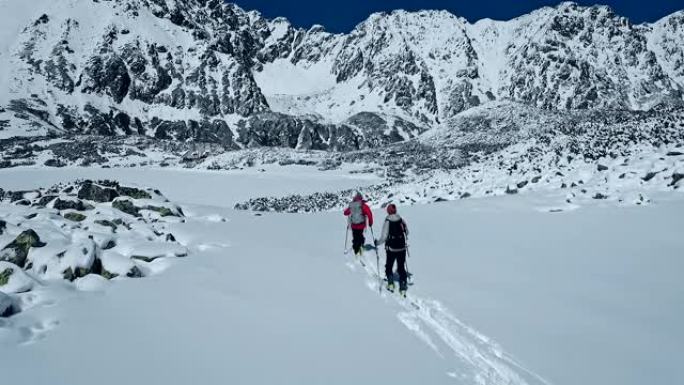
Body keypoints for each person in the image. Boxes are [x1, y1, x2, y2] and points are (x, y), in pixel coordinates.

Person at [375, 204, 409, 295]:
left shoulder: (388, 220)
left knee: (389, 266)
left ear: (388, 211)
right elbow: (407, 232)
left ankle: (390, 283)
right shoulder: (401, 219)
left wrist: (377, 243)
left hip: (391, 248)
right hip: (402, 248)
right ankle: (403, 286)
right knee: (401, 267)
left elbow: (384, 237)